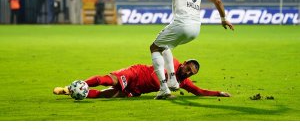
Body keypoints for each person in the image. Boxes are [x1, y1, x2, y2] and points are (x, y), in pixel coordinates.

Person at [130, 0, 234, 99]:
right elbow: (217, 1)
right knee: (166, 47)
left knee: (154, 48)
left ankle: (164, 88)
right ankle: (172, 79)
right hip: (195, 29)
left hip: (182, 23)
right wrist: (223, 19)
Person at [53, 57, 230, 99]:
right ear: (183, 64)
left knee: (103, 95)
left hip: (136, 90)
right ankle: (73, 86)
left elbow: (198, 91)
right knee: (108, 80)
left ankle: (69, 92)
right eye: (189, 69)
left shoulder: (183, 81)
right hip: (135, 74)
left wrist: (218, 93)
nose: (189, 73)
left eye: (192, 73)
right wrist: (165, 89)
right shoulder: (172, 63)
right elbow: (155, 76)